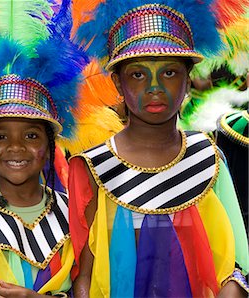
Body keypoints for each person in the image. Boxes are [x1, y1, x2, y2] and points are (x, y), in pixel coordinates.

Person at [70, 0, 249, 297]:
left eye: (169, 73)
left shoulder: (209, 157)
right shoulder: (93, 168)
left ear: (188, 79)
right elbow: (84, 276)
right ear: (117, 82)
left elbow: (236, 265)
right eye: (138, 74)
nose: (154, 87)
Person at [0, 23, 87, 295]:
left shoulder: (75, 214)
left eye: (31, 136)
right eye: (0, 137)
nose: (16, 147)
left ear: (49, 145)